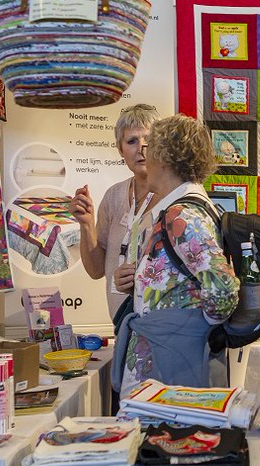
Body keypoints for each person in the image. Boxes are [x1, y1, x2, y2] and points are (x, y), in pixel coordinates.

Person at [113, 115, 239, 396]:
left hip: (173, 362)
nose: (145, 156)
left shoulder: (181, 214)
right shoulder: (182, 209)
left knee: (168, 436)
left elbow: (223, 288)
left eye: (150, 149)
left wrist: (190, 330)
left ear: (164, 158)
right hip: (169, 359)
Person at [71, 104, 159, 327]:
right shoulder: (113, 196)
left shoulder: (173, 196)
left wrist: (140, 278)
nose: (142, 148)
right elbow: (96, 270)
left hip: (161, 329)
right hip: (122, 327)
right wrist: (87, 224)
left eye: (148, 139)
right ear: (120, 150)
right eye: (132, 141)